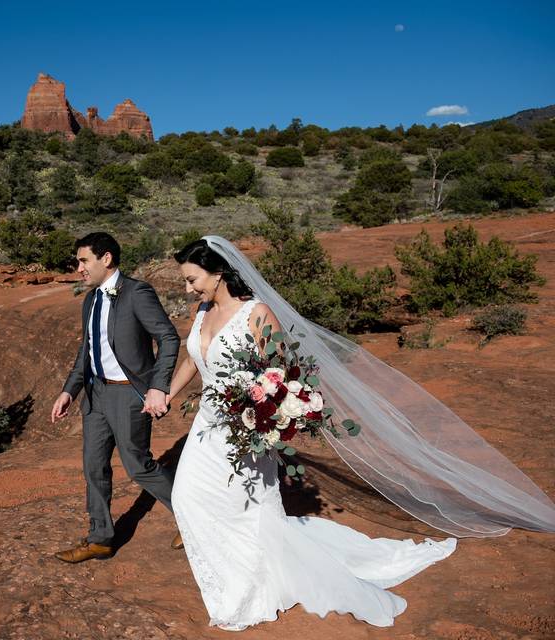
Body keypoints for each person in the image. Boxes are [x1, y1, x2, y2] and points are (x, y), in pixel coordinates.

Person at [166, 237, 555, 630]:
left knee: (246, 507)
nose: (188, 289)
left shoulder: (257, 313)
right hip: (207, 426)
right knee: (188, 496)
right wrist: (166, 392)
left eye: (192, 279)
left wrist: (267, 412)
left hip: (248, 428)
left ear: (219, 273)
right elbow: (195, 358)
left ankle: (252, 584)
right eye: (186, 281)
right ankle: (239, 574)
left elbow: (279, 374)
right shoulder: (203, 311)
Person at [51, 232, 182, 563]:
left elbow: (168, 337)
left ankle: (193, 518)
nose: (78, 267)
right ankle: (100, 537)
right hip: (95, 395)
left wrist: (158, 385)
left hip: (127, 395)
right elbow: (87, 349)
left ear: (105, 259)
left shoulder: (137, 293)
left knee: (138, 465)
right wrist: (69, 390)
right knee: (93, 466)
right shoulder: (91, 299)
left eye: (83, 260)